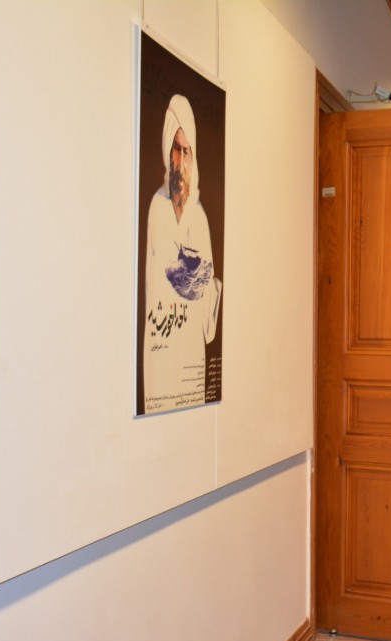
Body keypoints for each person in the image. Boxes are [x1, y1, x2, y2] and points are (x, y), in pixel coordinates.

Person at [143, 93, 222, 414]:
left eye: (186, 151)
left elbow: (199, 287)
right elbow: (172, 277)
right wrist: (195, 275)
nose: (180, 161)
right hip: (161, 349)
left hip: (189, 352)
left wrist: (201, 280)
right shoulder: (158, 207)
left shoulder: (199, 218)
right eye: (176, 149)